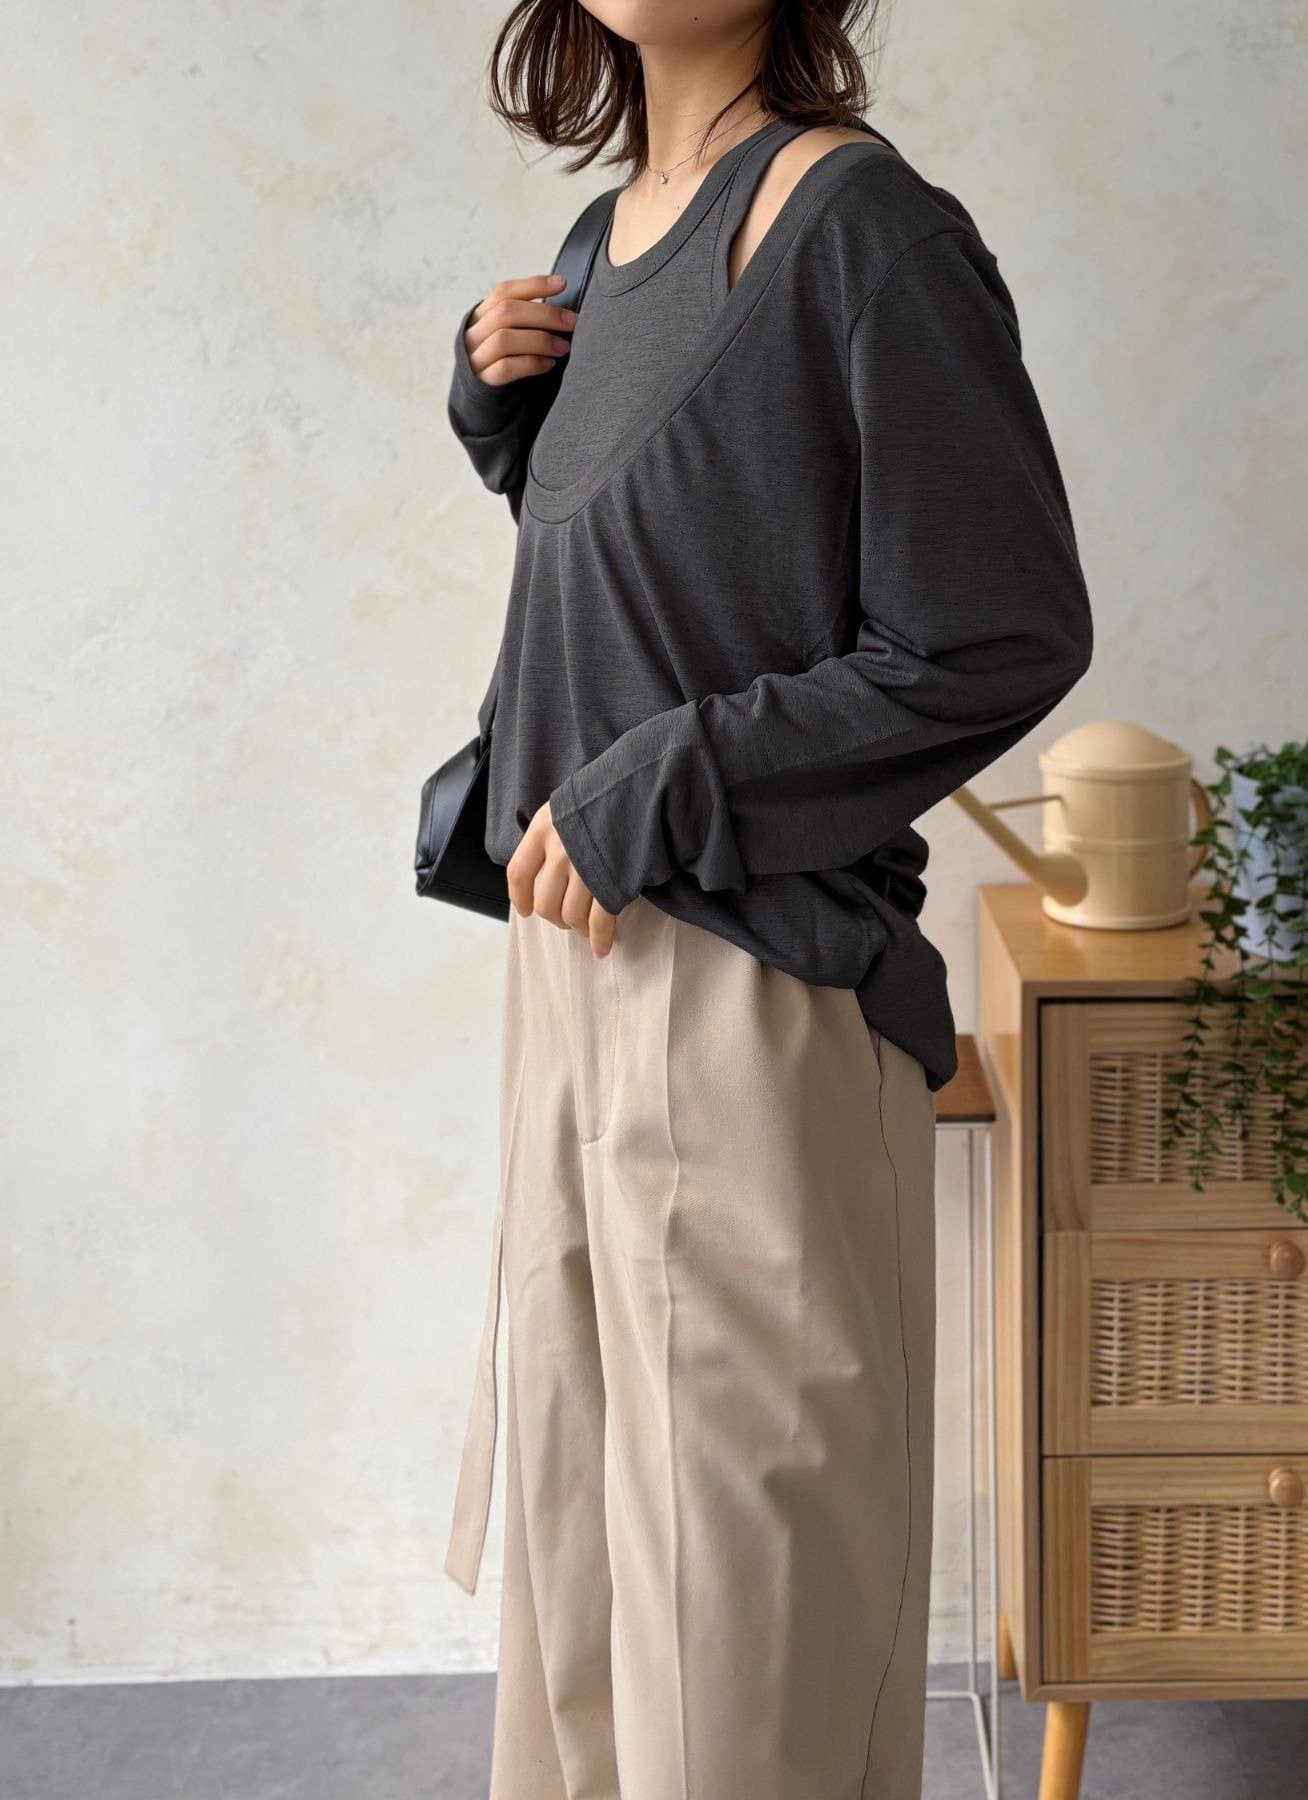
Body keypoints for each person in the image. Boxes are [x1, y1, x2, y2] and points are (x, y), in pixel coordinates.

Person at [437, 2, 1092, 1794]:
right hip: (573, 975)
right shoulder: (604, 240)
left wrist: (670, 780)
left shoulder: (863, 229)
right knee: (586, 1601)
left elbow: (994, 633)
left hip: (754, 996)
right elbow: (684, 575)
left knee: (744, 1640)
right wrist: (503, 425)